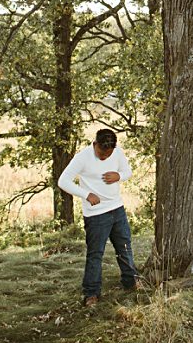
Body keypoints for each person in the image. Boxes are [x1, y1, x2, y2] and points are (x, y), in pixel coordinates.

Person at [57, 128, 140, 306]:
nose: (104, 157)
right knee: (95, 254)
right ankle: (91, 293)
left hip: (117, 209)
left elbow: (128, 171)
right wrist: (86, 194)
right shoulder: (82, 158)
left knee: (125, 248)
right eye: (102, 153)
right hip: (96, 215)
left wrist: (119, 176)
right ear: (95, 144)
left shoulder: (117, 153)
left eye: (108, 154)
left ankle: (131, 282)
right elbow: (63, 181)